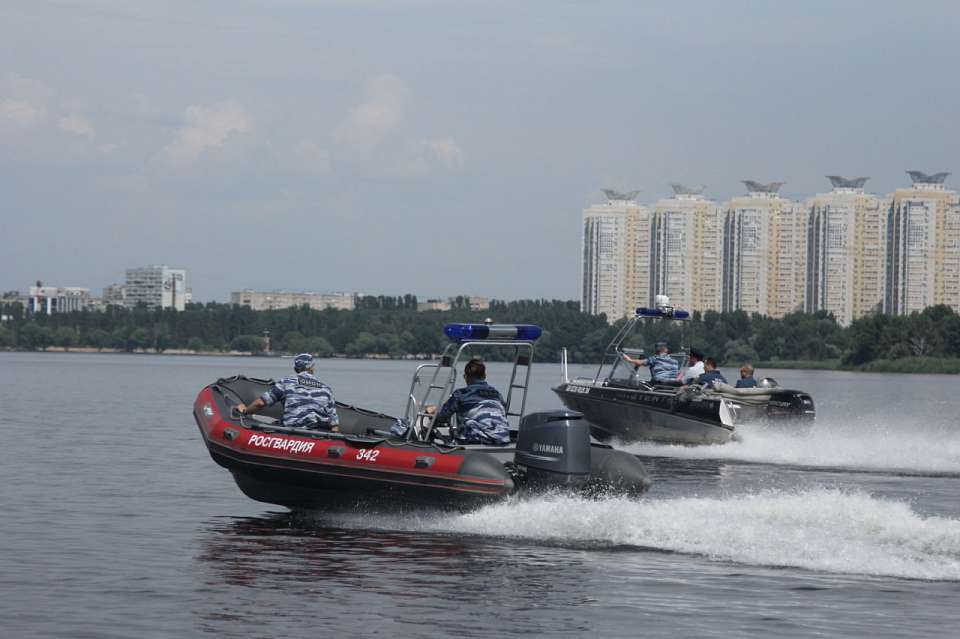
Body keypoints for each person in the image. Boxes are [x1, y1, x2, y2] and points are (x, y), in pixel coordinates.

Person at [236, 353, 340, 431]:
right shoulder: (326, 389)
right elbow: (334, 425)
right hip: (317, 437)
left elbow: (260, 403)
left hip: (292, 433)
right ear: (312, 368)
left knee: (267, 421)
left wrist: (245, 411)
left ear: (295, 369)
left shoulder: (287, 382)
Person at [426, 358, 510, 445]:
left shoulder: (461, 394)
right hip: (502, 438)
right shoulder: (497, 394)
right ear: (485, 375)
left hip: (478, 440)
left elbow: (443, 416)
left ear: (465, 377)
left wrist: (433, 412)